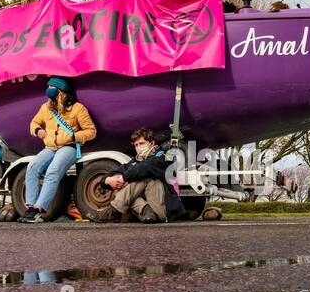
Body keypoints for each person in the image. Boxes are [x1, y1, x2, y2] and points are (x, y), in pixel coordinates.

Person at [20, 77, 96, 223]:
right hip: (50, 147)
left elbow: (91, 131)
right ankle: (30, 207)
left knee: (53, 171)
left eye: (52, 87)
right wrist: (38, 131)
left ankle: (38, 210)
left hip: (68, 147)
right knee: (32, 167)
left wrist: (74, 136)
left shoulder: (77, 108)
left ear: (62, 92)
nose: (48, 89)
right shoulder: (46, 108)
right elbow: (34, 123)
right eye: (48, 86)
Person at [104, 128, 186, 223]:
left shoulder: (163, 157)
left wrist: (123, 178)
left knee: (144, 178)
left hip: (163, 210)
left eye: (142, 143)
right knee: (119, 186)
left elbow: (147, 167)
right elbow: (114, 173)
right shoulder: (135, 162)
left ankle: (113, 211)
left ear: (151, 143)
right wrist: (108, 180)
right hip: (149, 212)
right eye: (136, 145)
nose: (139, 147)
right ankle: (146, 211)